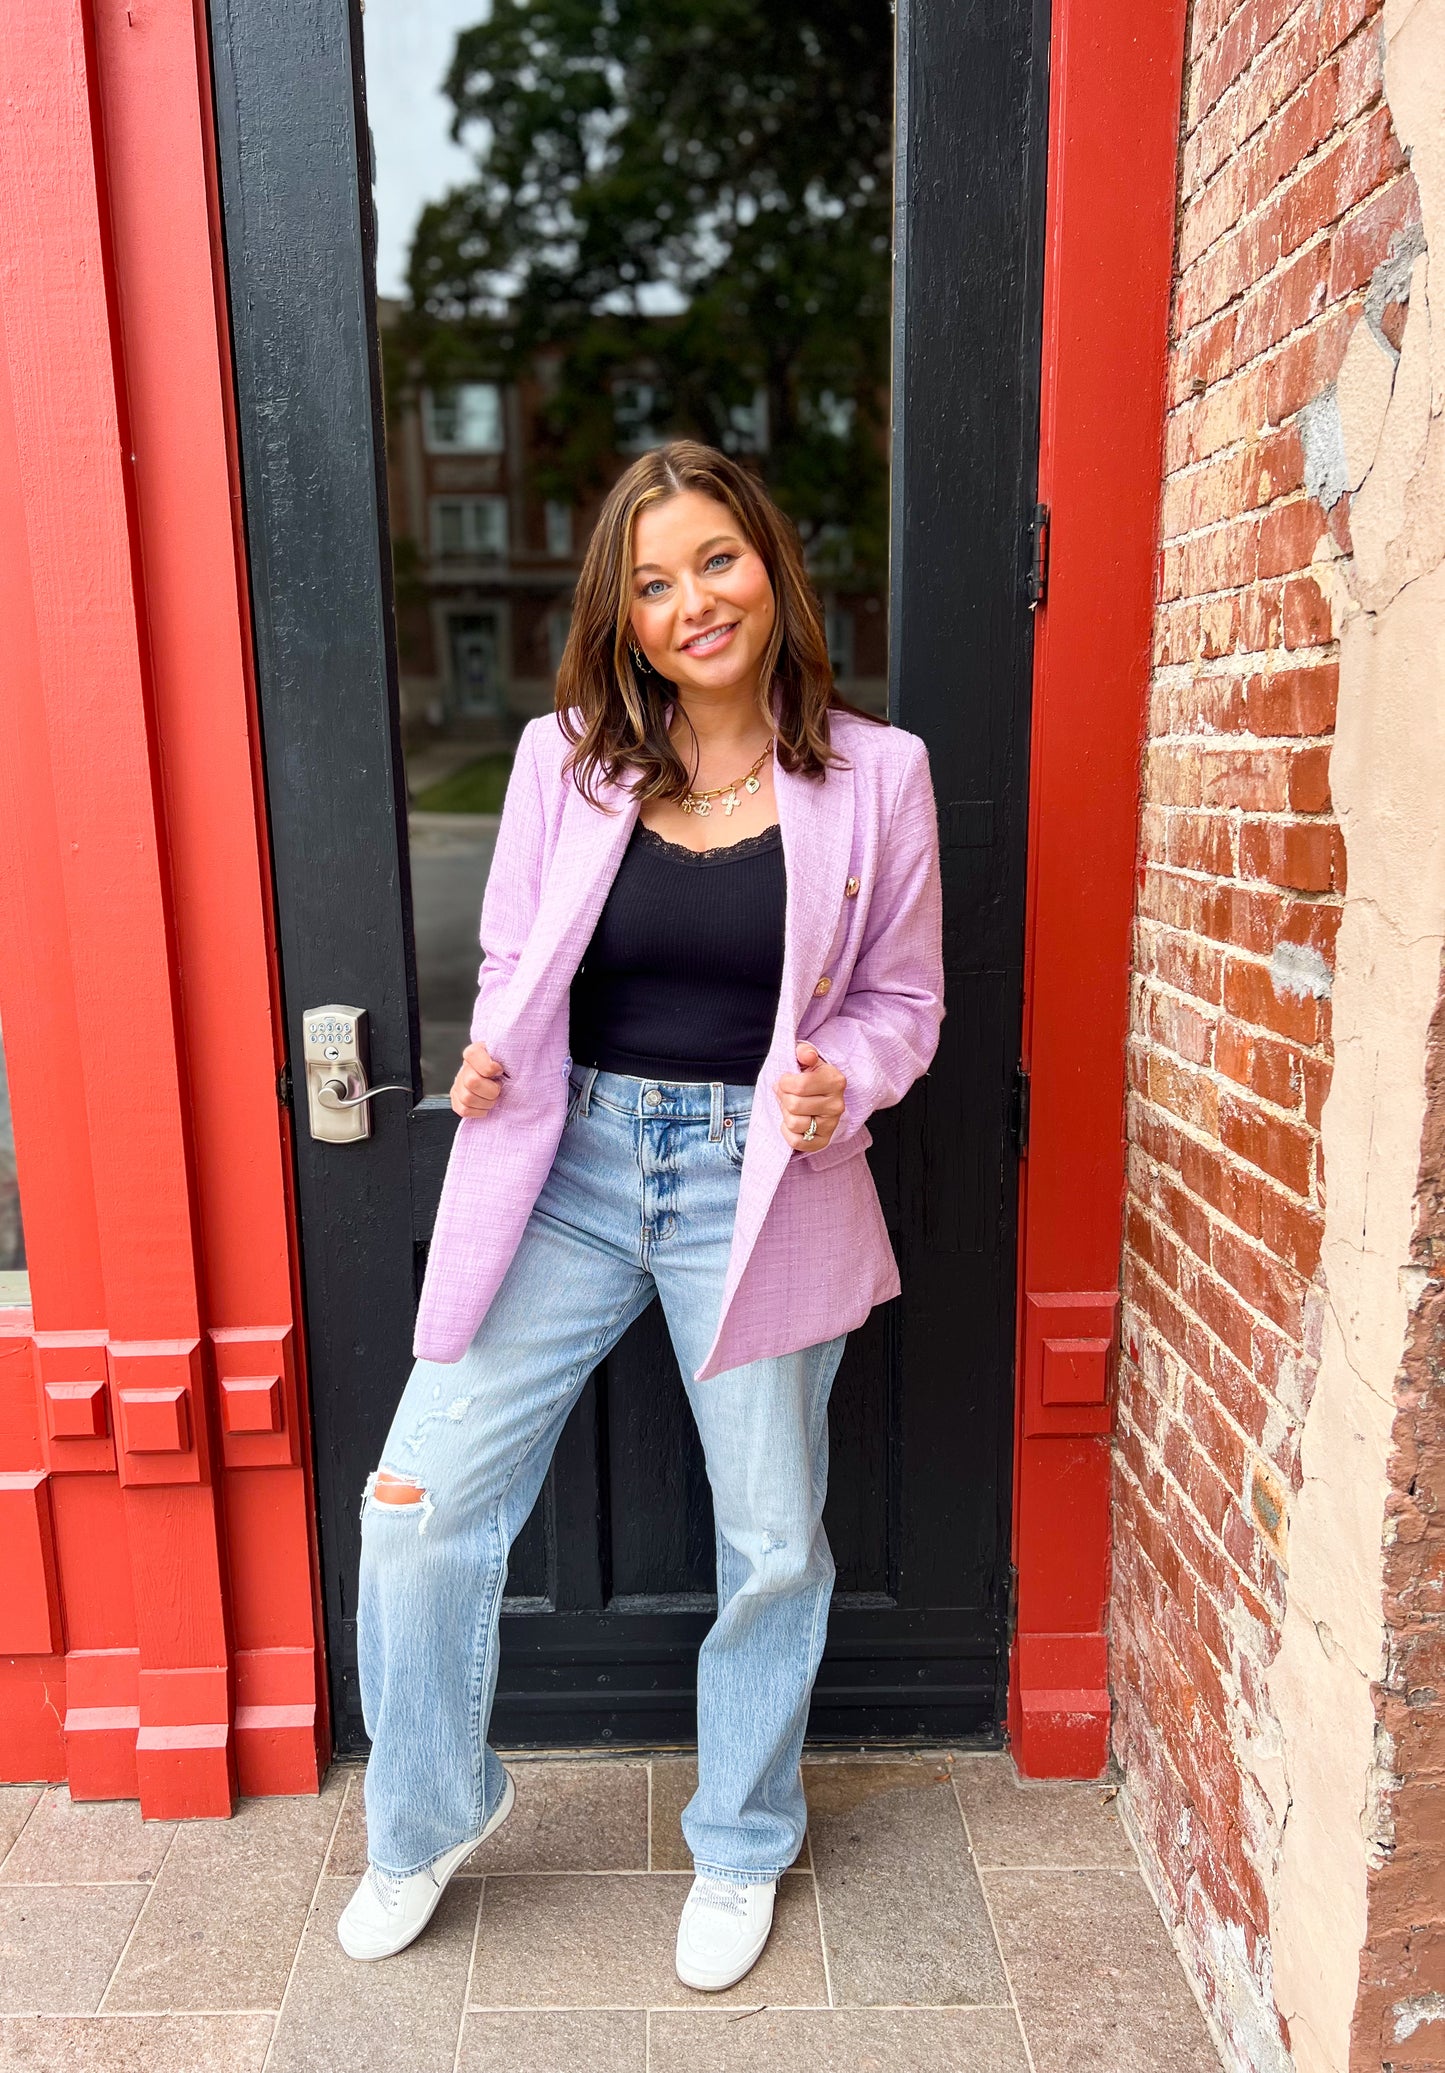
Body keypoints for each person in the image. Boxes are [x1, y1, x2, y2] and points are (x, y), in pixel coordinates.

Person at [338, 440, 943, 1988]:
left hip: (761, 1177)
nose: (692, 602)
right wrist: (491, 1055)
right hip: (573, 1165)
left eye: (715, 562)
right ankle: (424, 1813)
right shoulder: (566, 761)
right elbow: (510, 963)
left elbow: (902, 1000)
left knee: (767, 1544)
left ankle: (742, 1837)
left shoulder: (879, 773)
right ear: (623, 615)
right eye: (653, 582)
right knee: (415, 1505)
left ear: (769, 565)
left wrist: (843, 1079)